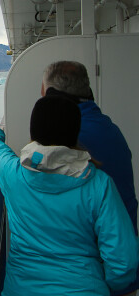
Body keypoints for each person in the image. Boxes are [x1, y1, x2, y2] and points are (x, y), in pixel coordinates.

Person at [0, 95, 138, 296]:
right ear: (75, 132)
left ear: (33, 130)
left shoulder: (14, 175)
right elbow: (123, 261)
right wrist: (103, 284)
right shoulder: (98, 184)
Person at [42, 60, 138, 296]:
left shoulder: (72, 137)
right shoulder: (107, 127)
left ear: (52, 94)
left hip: (99, 273)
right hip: (120, 266)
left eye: (43, 89)